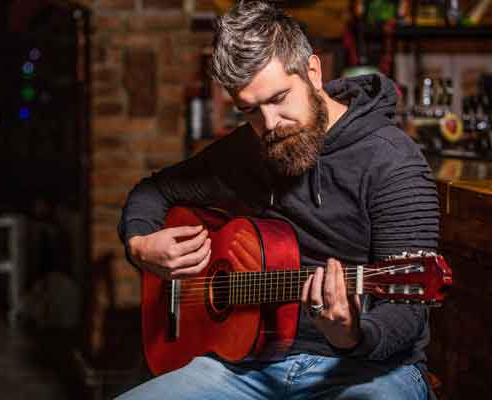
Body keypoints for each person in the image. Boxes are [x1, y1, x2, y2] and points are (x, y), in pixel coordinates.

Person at [116, 1, 439, 399]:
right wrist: (141, 244)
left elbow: (407, 314)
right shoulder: (250, 147)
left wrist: (353, 334)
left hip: (365, 369)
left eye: (279, 98)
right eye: (249, 111)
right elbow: (154, 191)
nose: (270, 125)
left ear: (313, 72)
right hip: (245, 364)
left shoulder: (392, 161)